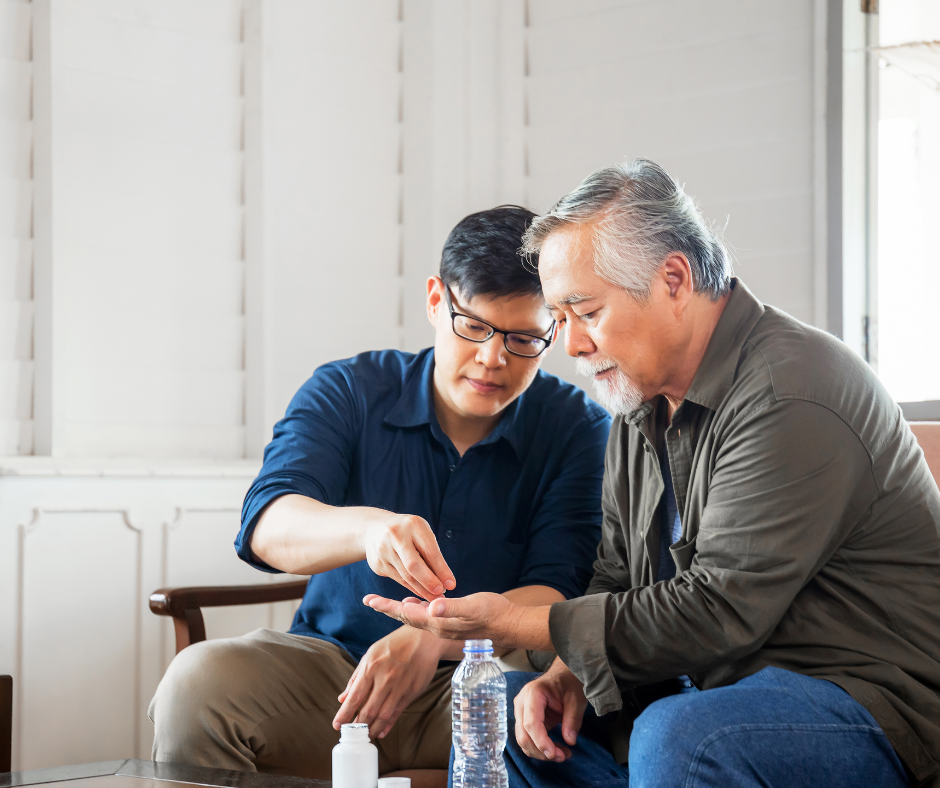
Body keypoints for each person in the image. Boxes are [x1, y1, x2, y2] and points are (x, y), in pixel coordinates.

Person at [365, 161, 940, 788]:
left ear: (673, 279)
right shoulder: (638, 402)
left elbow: (718, 610)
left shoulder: (791, 391)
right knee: (508, 710)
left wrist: (509, 622)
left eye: (585, 311)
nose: (573, 346)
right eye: (562, 318)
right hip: (701, 689)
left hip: (865, 704)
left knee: (684, 739)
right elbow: (614, 575)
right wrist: (566, 674)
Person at [148, 206, 611, 787]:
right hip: (332, 677)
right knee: (198, 684)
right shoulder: (349, 390)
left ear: (555, 331)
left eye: (523, 339)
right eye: (474, 326)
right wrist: (367, 529)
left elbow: (558, 590)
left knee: (553, 720)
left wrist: (431, 635)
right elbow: (268, 523)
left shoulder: (579, 429)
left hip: (487, 682)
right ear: (435, 301)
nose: (494, 358)